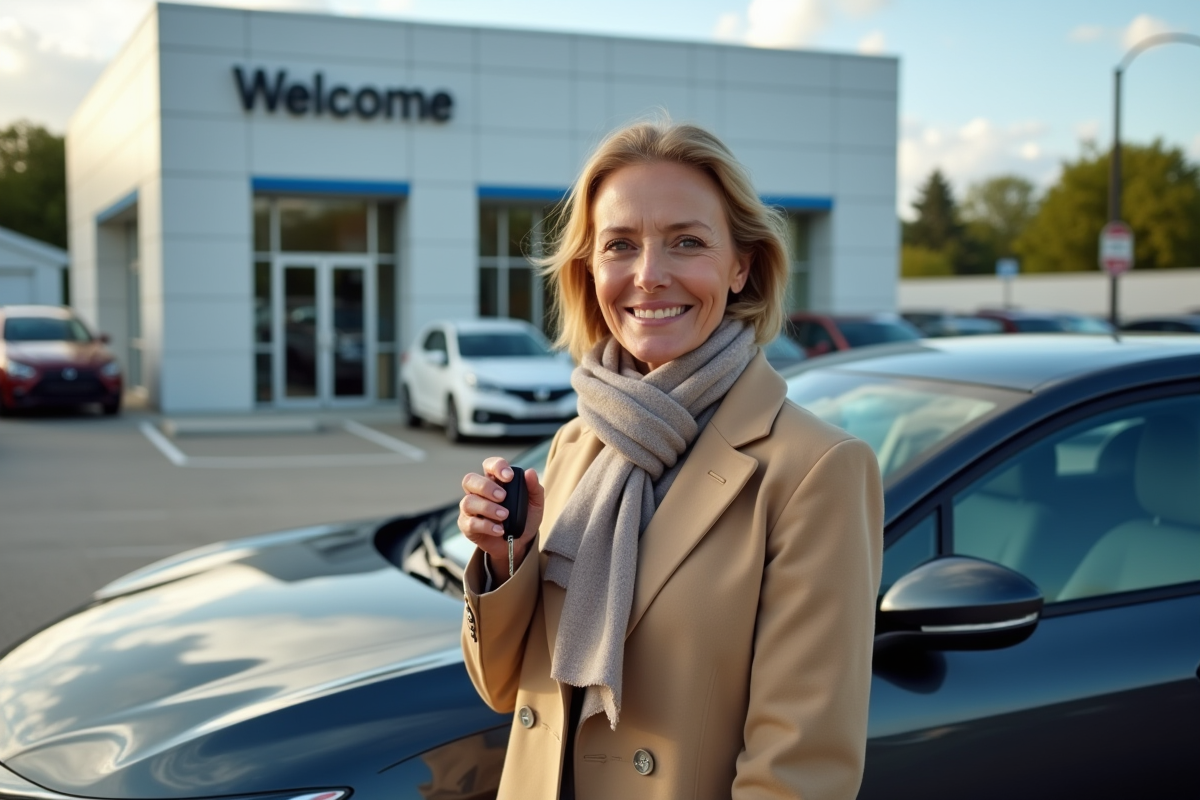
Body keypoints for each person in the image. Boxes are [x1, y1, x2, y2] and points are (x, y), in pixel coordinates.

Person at [457, 119, 883, 800]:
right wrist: (506, 561)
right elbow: (505, 690)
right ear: (589, 267)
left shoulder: (815, 469)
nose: (649, 276)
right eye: (620, 245)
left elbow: (799, 774)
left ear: (741, 265)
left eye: (687, 242)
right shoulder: (576, 445)